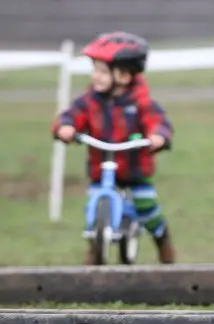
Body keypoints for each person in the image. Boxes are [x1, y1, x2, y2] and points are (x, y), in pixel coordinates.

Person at [52, 31, 176, 265]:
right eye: (94, 70)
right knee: (93, 203)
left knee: (147, 207)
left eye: (101, 71)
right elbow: (72, 115)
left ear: (123, 75)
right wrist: (65, 127)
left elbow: (158, 121)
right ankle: (94, 245)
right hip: (102, 169)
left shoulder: (141, 103)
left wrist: (159, 135)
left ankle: (163, 241)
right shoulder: (89, 102)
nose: (95, 77)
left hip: (134, 170)